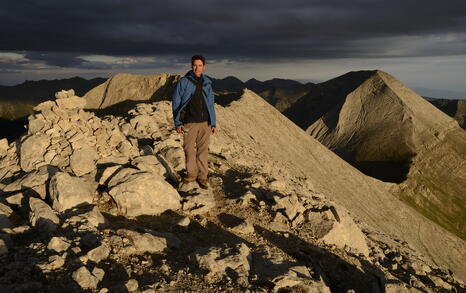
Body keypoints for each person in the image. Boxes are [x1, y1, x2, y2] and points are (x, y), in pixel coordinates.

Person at [172, 55, 216, 189]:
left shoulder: (207, 82)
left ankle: (203, 176)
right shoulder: (183, 82)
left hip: (205, 122)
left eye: (200, 65)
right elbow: (176, 102)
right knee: (189, 149)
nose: (197, 68)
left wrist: (213, 122)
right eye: (195, 65)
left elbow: (210, 103)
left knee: (203, 150)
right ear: (191, 66)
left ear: (204, 67)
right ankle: (191, 173)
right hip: (189, 121)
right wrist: (178, 122)